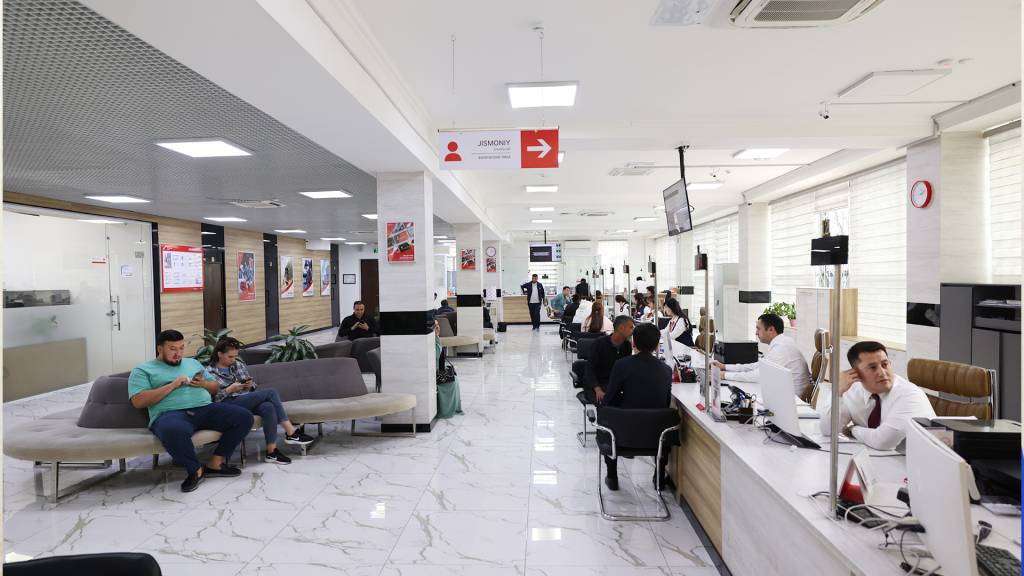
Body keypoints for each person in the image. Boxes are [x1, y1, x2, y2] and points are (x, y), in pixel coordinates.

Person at [129, 330, 253, 493]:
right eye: (173, 349)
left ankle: (215, 463)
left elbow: (215, 388)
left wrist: (203, 384)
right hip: (170, 414)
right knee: (173, 430)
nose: (178, 353)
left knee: (244, 417)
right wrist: (173, 385)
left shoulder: (193, 363)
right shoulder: (143, 370)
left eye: (181, 348)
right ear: (160, 349)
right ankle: (195, 470)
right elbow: (138, 401)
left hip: (204, 408)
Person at [206, 337, 315, 465]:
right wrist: (229, 389)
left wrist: (249, 385)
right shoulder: (209, 372)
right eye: (230, 356)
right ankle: (291, 432)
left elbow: (251, 386)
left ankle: (271, 452)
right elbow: (213, 399)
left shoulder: (237, 365)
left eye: (235, 356)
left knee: (268, 407)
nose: (233, 359)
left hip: (243, 400)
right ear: (219, 354)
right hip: (225, 405)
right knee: (271, 392)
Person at [818, 341, 936, 451]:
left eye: (885, 364)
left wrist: (852, 429)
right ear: (856, 373)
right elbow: (828, 430)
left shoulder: (910, 394)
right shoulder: (851, 389)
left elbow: (883, 442)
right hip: (877, 456)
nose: (882, 372)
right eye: (872, 367)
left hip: (917, 459)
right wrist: (837, 392)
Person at [602, 322, 673, 491]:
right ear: (657, 345)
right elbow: (665, 402)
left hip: (623, 435)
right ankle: (659, 475)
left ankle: (612, 476)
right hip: (655, 437)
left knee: (608, 415)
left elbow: (608, 398)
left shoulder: (622, 365)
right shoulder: (666, 370)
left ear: (633, 343)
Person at [711, 313, 809, 395]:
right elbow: (756, 366)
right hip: (781, 392)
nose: (756, 333)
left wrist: (725, 375)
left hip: (790, 400)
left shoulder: (782, 348)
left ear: (771, 330)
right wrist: (724, 367)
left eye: (758, 329)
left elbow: (758, 375)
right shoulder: (781, 343)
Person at [584, 315, 634, 404]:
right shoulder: (599, 344)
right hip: (597, 385)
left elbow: (625, 369)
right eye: (630, 328)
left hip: (614, 384)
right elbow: (590, 369)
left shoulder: (626, 346)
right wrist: (597, 389)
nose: (632, 331)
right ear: (621, 328)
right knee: (607, 401)